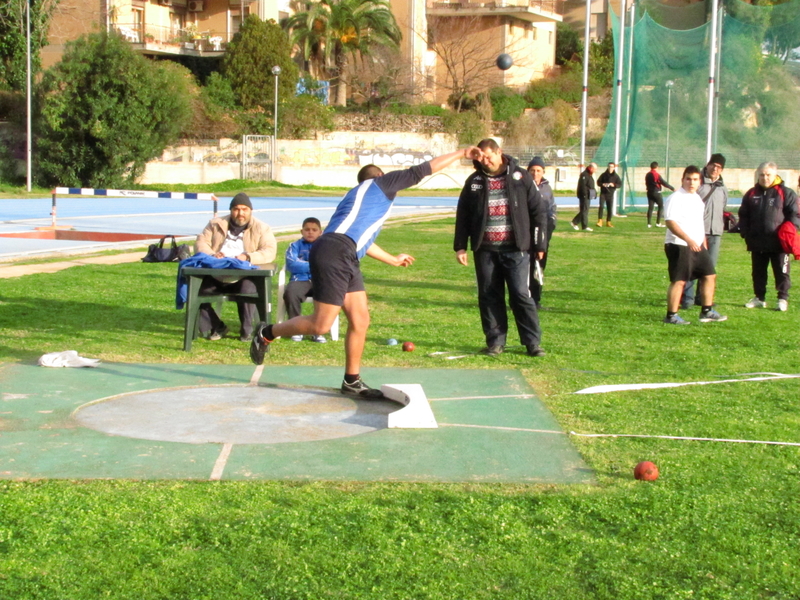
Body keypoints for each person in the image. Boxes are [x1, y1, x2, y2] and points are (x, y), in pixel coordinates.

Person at [250, 145, 484, 398]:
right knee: (320, 325)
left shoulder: (356, 197)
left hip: (344, 253)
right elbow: (422, 171)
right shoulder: (381, 183)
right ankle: (266, 333)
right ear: (381, 176)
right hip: (336, 253)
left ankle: (352, 381)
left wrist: (392, 260)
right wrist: (461, 154)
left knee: (360, 320)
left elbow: (362, 240)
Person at [454, 139, 547, 357]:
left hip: (516, 249)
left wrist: (539, 243)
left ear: (499, 153)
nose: (486, 160)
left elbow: (538, 211)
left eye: (489, 155)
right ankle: (495, 342)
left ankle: (532, 343)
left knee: (520, 294)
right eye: (481, 157)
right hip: (485, 249)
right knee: (489, 295)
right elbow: (463, 216)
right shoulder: (474, 181)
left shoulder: (520, 177)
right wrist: (460, 246)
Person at [194, 193, 277, 341]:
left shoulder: (262, 228)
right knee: (195, 290)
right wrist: (212, 255)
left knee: (248, 290)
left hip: (244, 275)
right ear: (231, 210)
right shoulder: (215, 224)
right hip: (216, 274)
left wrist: (248, 257)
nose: (240, 213)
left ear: (250, 210)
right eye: (236, 209)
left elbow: (269, 251)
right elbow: (200, 243)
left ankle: (246, 331)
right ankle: (216, 326)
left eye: (244, 209)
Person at [662, 166, 727, 325]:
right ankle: (671, 315)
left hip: (697, 245)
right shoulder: (676, 198)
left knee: (709, 275)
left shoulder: (696, 198)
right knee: (679, 280)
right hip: (679, 244)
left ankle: (706, 311)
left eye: (695, 179)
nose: (692, 182)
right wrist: (688, 239)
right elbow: (670, 222)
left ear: (700, 181)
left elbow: (698, 223)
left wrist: (701, 240)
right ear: (683, 180)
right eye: (688, 179)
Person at [738, 162, 800, 312]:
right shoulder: (751, 193)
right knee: (758, 272)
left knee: (781, 271)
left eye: (768, 175)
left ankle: (782, 299)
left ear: (775, 175)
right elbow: (743, 214)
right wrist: (745, 232)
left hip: (778, 243)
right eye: (762, 175)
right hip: (757, 242)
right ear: (758, 175)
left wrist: (788, 231)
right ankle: (759, 298)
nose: (765, 178)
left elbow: (795, 215)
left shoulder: (786, 193)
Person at [681, 154, 728, 309]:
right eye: (713, 165)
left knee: (709, 267)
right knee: (691, 265)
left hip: (715, 232)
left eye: (719, 167)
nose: (715, 169)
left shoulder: (722, 187)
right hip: (696, 232)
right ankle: (687, 298)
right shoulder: (698, 183)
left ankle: (702, 298)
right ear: (707, 165)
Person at [283, 217, 326, 343]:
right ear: (302, 231)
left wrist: (303, 264)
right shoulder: (294, 246)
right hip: (299, 280)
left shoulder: (325, 246)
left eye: (314, 230)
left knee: (327, 295)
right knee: (290, 293)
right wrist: (315, 265)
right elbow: (292, 264)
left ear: (320, 232)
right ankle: (296, 329)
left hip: (320, 280)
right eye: (307, 230)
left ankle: (318, 330)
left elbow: (327, 264)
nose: (310, 232)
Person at [527, 156, 556, 308]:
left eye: (538, 170)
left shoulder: (547, 188)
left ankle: (536, 299)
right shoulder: (523, 185)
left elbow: (552, 208)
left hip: (543, 235)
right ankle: (523, 300)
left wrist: (551, 224)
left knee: (539, 266)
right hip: (526, 234)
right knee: (525, 267)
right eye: (532, 170)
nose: (535, 173)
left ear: (543, 172)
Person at [645, 161, 674, 228]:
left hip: (649, 192)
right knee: (661, 206)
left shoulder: (647, 174)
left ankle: (649, 224)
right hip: (656, 192)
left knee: (650, 208)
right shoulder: (656, 174)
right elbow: (663, 183)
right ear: (657, 167)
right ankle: (658, 223)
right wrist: (672, 188)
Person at [571, 162, 597, 231]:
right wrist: (585, 194)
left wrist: (594, 193)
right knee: (584, 210)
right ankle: (577, 223)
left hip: (588, 195)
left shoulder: (589, 175)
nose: (595, 170)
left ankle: (581, 225)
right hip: (584, 196)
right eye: (594, 169)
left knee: (585, 210)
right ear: (591, 168)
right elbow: (583, 186)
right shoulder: (584, 175)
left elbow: (590, 185)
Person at [596, 162, 622, 228]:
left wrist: (614, 185)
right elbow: (598, 182)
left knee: (610, 208)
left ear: (614, 168)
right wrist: (602, 184)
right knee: (601, 207)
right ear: (607, 167)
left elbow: (620, 184)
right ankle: (600, 221)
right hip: (603, 193)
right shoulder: (603, 175)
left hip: (610, 194)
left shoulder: (616, 176)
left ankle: (608, 222)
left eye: (612, 167)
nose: (610, 168)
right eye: (609, 166)